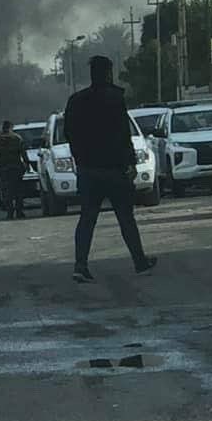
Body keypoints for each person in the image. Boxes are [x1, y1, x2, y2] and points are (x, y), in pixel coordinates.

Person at [65, 55, 157, 283]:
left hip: (89, 170)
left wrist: (80, 159)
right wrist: (131, 164)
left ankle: (80, 266)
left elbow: (69, 133)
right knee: (126, 218)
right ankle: (139, 262)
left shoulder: (77, 100)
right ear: (108, 73)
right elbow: (124, 135)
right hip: (114, 170)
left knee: (87, 218)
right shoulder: (115, 98)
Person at [0, 120, 30, 219]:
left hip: (5, 167)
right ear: (11, 127)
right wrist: (27, 164)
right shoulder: (17, 138)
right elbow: (23, 153)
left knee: (7, 191)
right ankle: (19, 212)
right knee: (18, 191)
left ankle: (10, 212)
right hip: (16, 167)